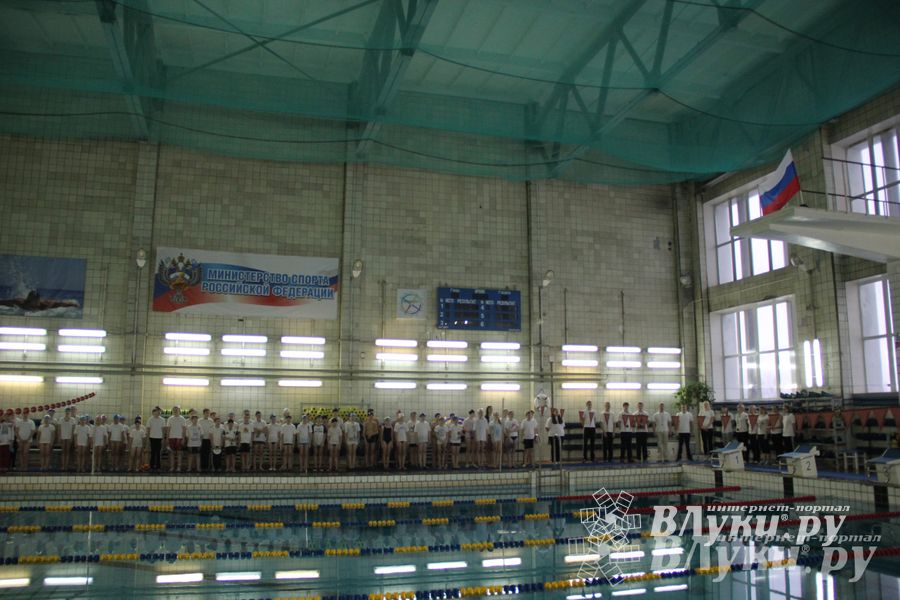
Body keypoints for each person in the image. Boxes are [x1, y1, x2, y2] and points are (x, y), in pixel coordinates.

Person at [166, 406, 187, 473]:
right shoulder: (170, 419)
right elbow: (168, 429)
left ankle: (179, 467)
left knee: (179, 453)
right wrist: (167, 438)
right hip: (171, 438)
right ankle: (172, 467)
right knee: (171, 453)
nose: (175, 411)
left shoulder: (182, 419)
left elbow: (184, 430)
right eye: (174, 410)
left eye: (176, 410)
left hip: (179, 438)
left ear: (179, 411)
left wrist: (183, 438)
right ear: (172, 411)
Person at [147, 407, 165, 472]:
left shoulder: (162, 420)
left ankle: (158, 467)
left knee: (158, 453)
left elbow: (163, 430)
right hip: (152, 438)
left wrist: (163, 438)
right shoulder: (150, 419)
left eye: (159, 411)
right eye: (157, 411)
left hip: (159, 438)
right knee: (152, 453)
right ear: (154, 412)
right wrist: (148, 439)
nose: (158, 412)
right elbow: (148, 430)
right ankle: (151, 466)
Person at [58, 407, 76, 472]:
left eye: (68, 411)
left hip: (69, 437)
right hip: (63, 437)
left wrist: (72, 437)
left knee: (67, 452)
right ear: (65, 411)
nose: (67, 412)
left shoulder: (72, 419)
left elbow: (73, 429)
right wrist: (59, 437)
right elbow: (59, 429)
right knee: (63, 452)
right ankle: (63, 466)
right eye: (66, 411)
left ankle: (66, 466)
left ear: (70, 412)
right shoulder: (61, 419)